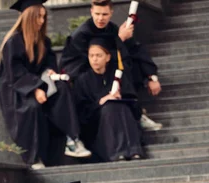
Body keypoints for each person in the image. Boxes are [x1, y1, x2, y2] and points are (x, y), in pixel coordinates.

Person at [0, 0, 91, 169]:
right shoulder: (13, 42)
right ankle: (34, 158)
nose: (41, 21)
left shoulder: (44, 42)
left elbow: (49, 64)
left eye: (43, 16)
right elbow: (15, 74)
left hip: (39, 83)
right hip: (17, 90)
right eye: (38, 17)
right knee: (31, 108)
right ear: (28, 17)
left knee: (62, 89)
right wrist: (35, 89)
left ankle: (72, 139)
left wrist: (51, 73)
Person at [60, 0, 163, 131]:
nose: (100, 18)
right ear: (91, 11)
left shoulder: (113, 29)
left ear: (111, 13)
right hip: (88, 79)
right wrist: (119, 40)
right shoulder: (81, 35)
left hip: (111, 74)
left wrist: (151, 77)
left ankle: (136, 112)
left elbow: (136, 50)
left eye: (104, 14)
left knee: (130, 61)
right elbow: (92, 63)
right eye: (97, 14)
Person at [74, 38, 143, 162]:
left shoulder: (118, 75)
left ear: (108, 57)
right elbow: (82, 113)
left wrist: (119, 97)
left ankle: (133, 150)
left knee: (119, 106)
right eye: (91, 56)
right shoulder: (82, 80)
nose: (94, 59)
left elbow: (135, 106)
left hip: (123, 118)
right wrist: (100, 102)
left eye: (99, 55)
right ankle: (119, 151)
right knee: (109, 107)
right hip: (98, 128)